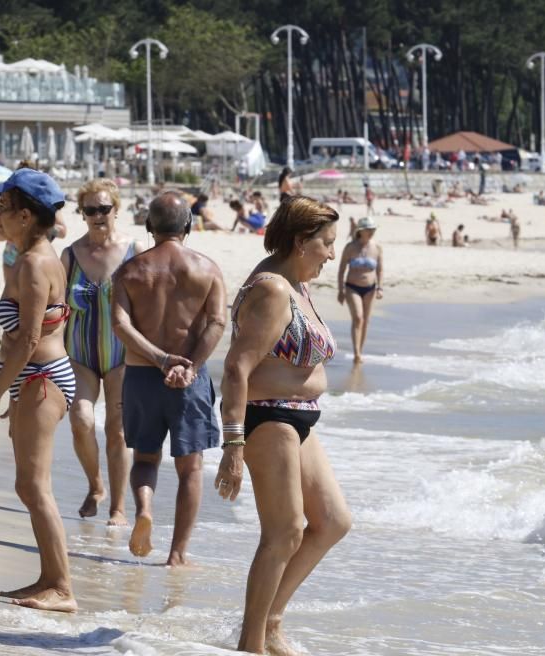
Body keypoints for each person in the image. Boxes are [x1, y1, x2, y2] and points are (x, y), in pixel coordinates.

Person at [216, 195, 351, 655]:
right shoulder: (273, 289)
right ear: (300, 241)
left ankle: (270, 621)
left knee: (332, 521)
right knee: (286, 531)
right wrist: (232, 446)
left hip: (299, 418)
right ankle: (251, 644)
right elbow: (236, 368)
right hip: (268, 416)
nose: (332, 254)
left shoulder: (298, 282)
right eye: (327, 244)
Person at [0, 168, 77, 612]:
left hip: (40, 378)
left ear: (28, 216)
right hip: (29, 379)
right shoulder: (25, 253)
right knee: (27, 485)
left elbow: (30, 338)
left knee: (34, 486)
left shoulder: (35, 262)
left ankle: (63, 589)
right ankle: (49, 578)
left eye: (5, 206)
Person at [111, 192, 227, 566]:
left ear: (149, 227)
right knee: (190, 468)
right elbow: (216, 323)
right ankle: (177, 553)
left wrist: (160, 359)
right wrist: (189, 365)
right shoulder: (207, 269)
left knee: (145, 458)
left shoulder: (129, 272)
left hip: (143, 377)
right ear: (189, 225)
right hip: (189, 379)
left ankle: (144, 508)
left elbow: (120, 325)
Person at [62, 179, 142, 525]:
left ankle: (119, 507)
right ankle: (96, 486)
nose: (97, 216)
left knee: (117, 429)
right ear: (82, 214)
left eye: (104, 209)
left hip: (122, 356)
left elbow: (150, 302)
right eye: (90, 210)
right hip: (79, 355)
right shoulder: (70, 254)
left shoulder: (133, 250)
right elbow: (53, 304)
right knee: (80, 419)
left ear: (116, 210)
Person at [337, 216, 383, 364]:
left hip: (370, 288)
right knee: (358, 317)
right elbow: (341, 269)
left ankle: (359, 352)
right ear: (361, 231)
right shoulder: (350, 247)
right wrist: (341, 290)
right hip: (352, 287)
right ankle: (356, 352)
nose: (371, 232)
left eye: (373, 230)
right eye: (368, 230)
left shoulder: (377, 248)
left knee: (366, 321)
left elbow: (380, 270)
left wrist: (380, 287)